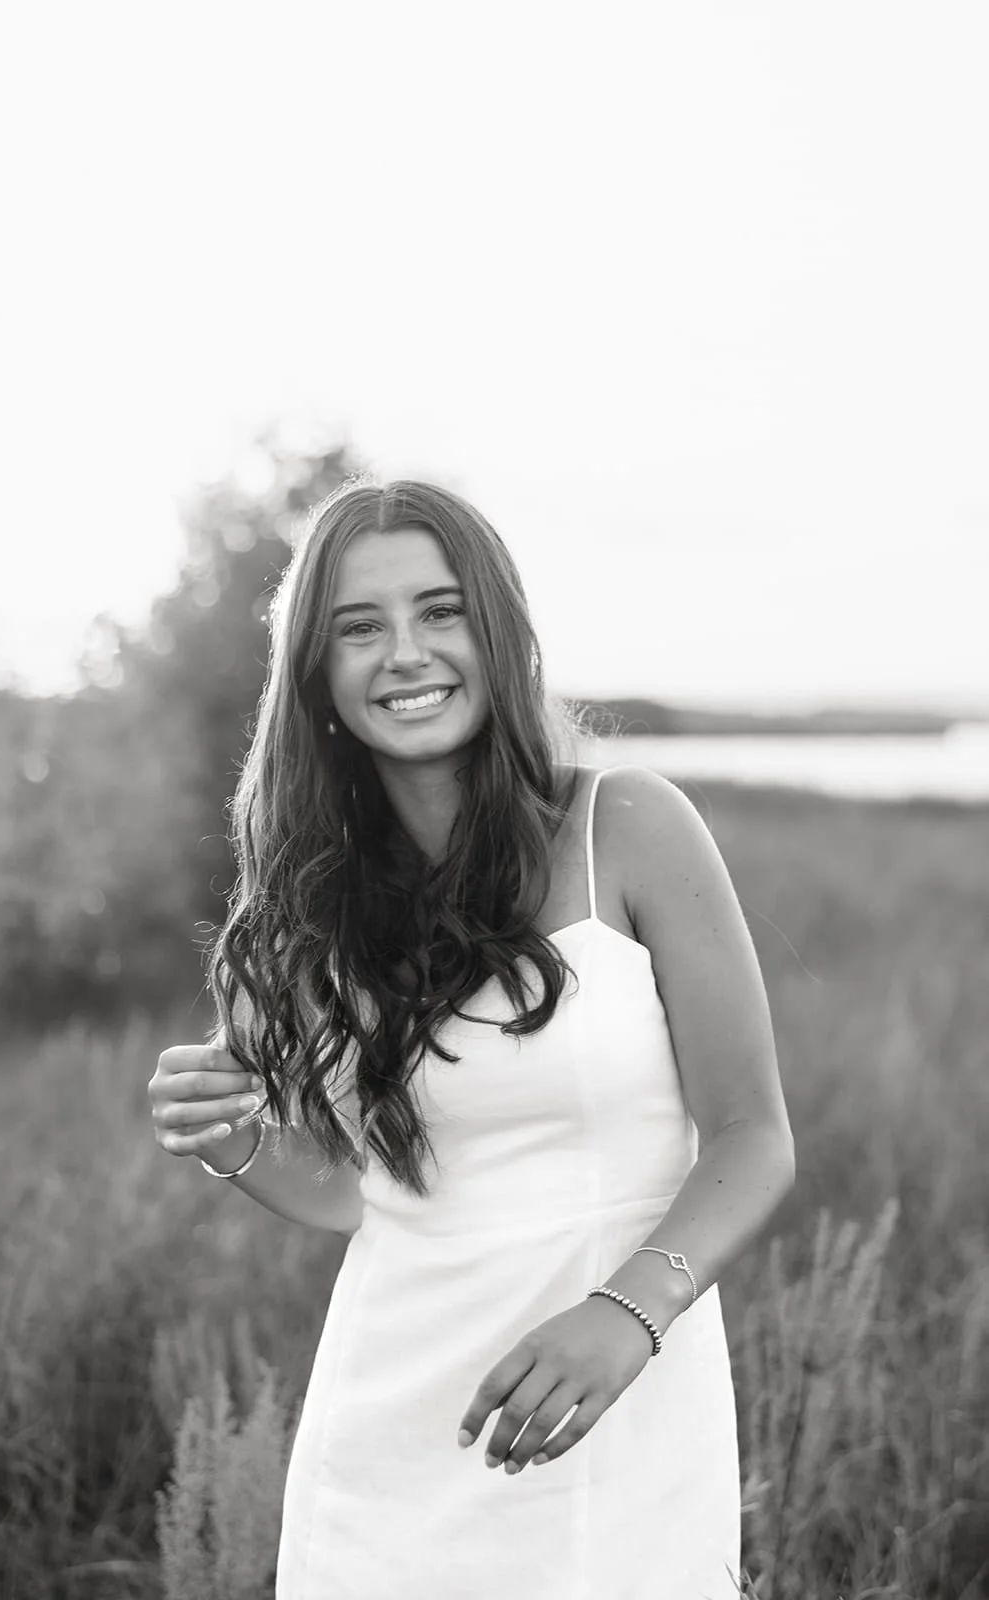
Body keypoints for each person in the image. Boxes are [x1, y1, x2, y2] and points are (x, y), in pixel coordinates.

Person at [148, 477, 797, 1599]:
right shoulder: (309, 903)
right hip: (388, 1438)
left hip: (617, 1417)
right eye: (359, 626)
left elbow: (752, 1135)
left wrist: (625, 1310)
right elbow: (369, 1197)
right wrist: (233, 1141)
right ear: (319, 676)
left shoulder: (627, 826)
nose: (404, 652)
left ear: (495, 633)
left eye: (438, 612)